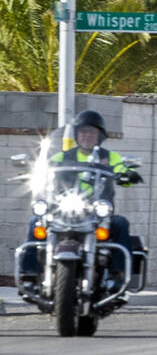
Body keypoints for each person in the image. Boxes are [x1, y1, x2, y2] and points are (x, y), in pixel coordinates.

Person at [19, 110, 142, 292]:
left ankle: (118, 274)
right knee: (36, 222)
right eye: (83, 132)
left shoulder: (109, 157)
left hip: (96, 212)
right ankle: (28, 274)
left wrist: (127, 173)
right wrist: (33, 170)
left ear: (100, 136)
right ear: (76, 135)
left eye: (92, 132)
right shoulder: (63, 156)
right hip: (63, 208)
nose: (87, 136)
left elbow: (121, 167)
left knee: (120, 223)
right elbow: (45, 167)